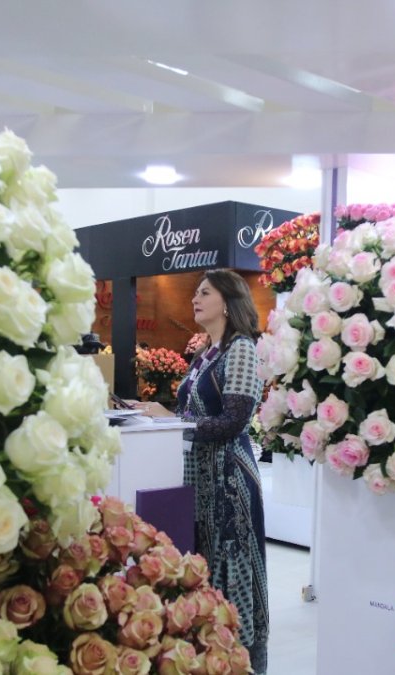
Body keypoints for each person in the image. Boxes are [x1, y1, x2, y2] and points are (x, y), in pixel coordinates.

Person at [137, 269, 269, 673]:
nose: (195, 299)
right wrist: (162, 417)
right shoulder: (206, 352)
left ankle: (239, 660)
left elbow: (233, 422)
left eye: (204, 293)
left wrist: (175, 421)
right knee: (206, 573)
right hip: (200, 481)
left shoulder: (241, 349)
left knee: (231, 574)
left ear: (227, 303)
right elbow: (193, 414)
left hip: (229, 485)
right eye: (194, 292)